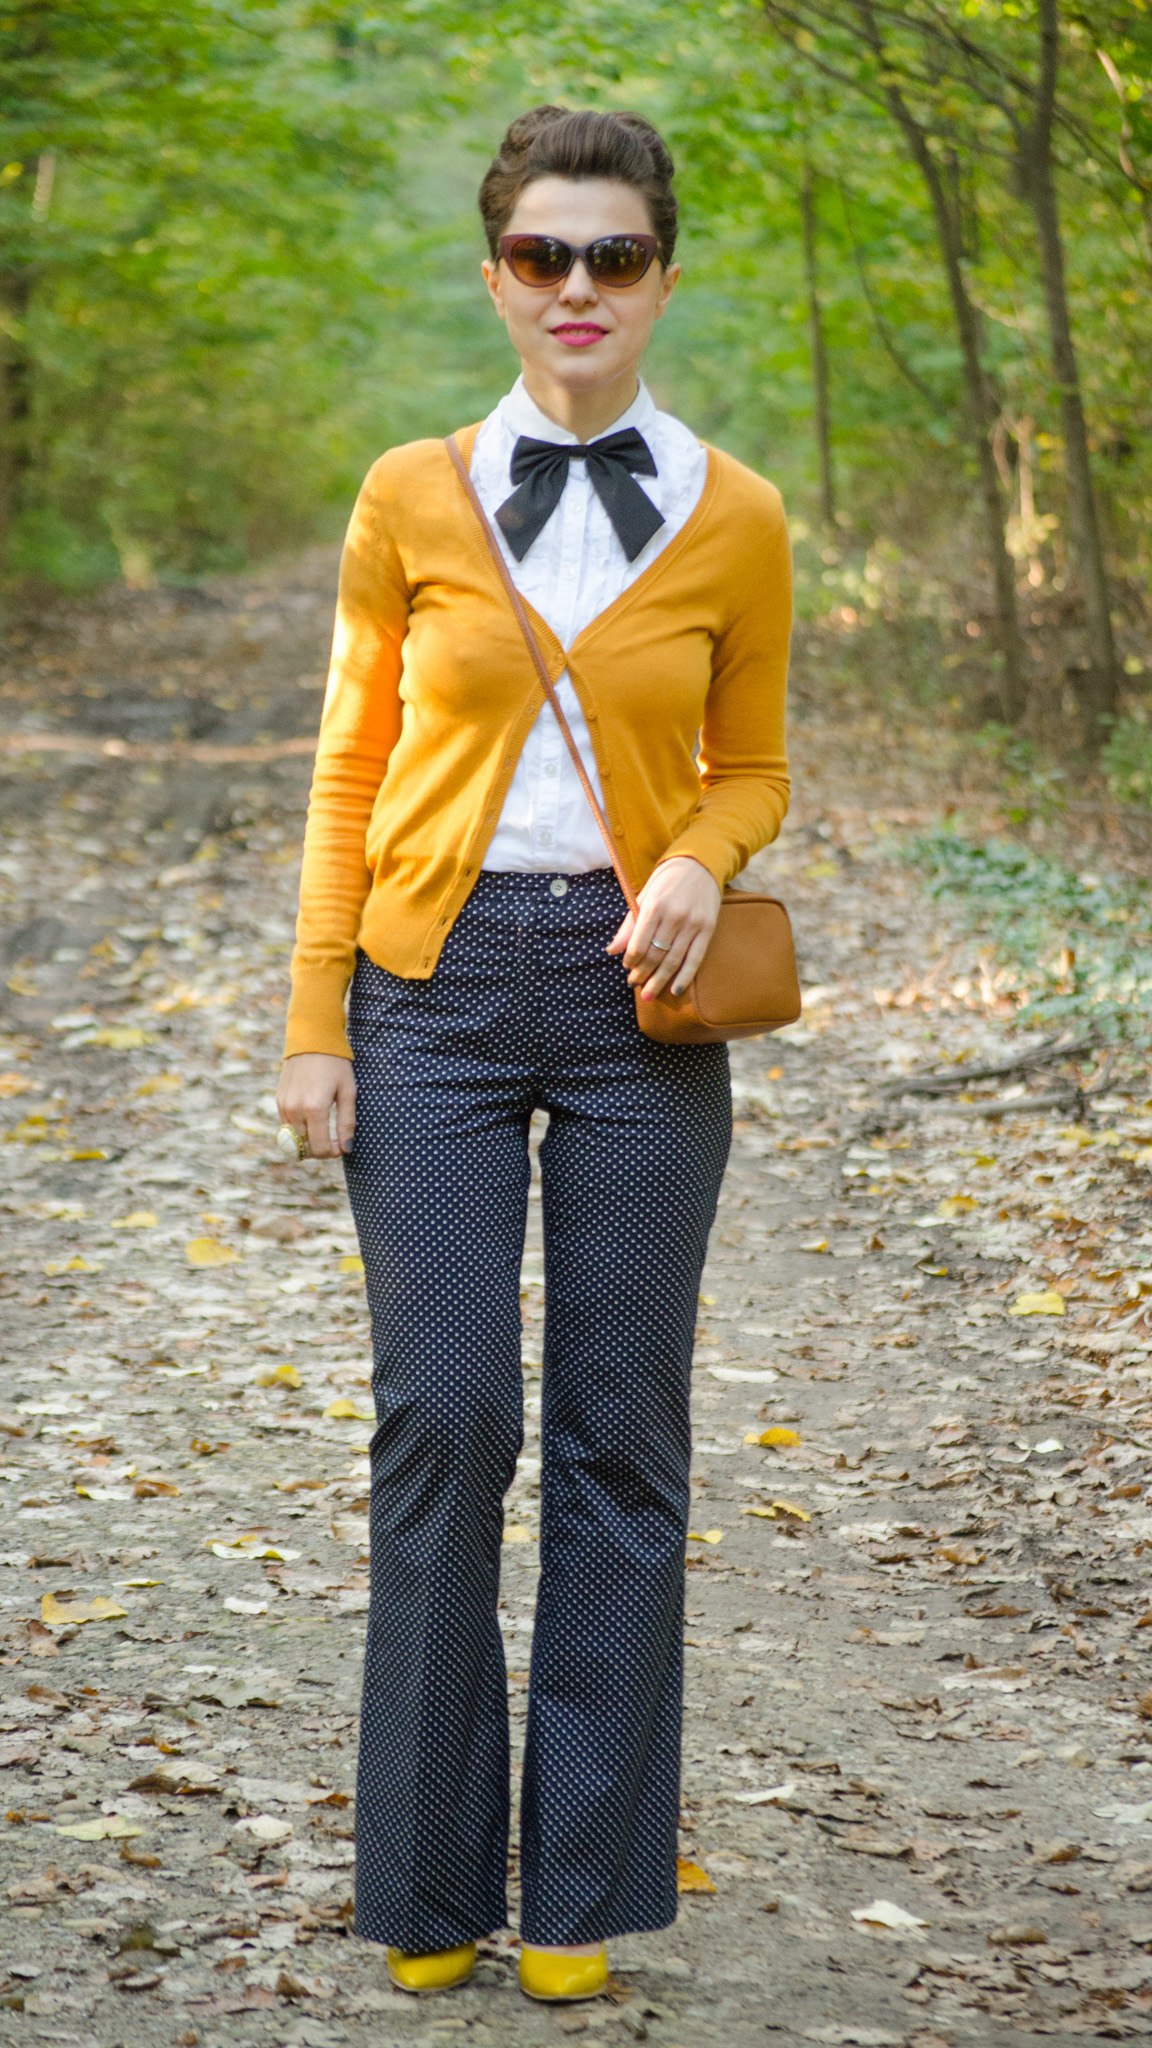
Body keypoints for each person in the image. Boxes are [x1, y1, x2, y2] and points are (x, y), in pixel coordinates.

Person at [276, 103, 792, 2005]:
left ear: (664, 277)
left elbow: (759, 766)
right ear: (496, 272)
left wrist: (696, 859)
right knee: (443, 1424)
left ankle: (576, 1890)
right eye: (542, 255)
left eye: (617, 256)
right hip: (434, 990)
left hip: (647, 1007)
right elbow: (348, 764)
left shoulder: (738, 514)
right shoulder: (410, 493)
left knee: (619, 1442)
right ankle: (422, 1882)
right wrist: (313, 1020)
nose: (579, 289)